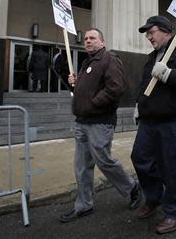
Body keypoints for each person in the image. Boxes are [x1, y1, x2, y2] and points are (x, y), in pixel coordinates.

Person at [131, 16, 176, 234]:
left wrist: (169, 74)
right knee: (140, 158)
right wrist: (139, 105)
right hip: (149, 119)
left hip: (175, 121)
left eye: (151, 32)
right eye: (147, 34)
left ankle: (175, 213)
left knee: (170, 166)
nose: (149, 37)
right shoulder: (152, 57)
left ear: (165, 31)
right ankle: (154, 198)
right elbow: (145, 83)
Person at [59, 28, 141, 223]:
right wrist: (76, 83)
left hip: (100, 122)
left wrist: (91, 104)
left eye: (92, 38)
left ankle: (132, 187)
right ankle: (84, 205)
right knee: (81, 166)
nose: (88, 41)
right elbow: (89, 89)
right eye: (86, 38)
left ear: (102, 42)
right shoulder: (88, 62)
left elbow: (116, 88)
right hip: (82, 122)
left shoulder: (110, 59)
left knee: (104, 161)